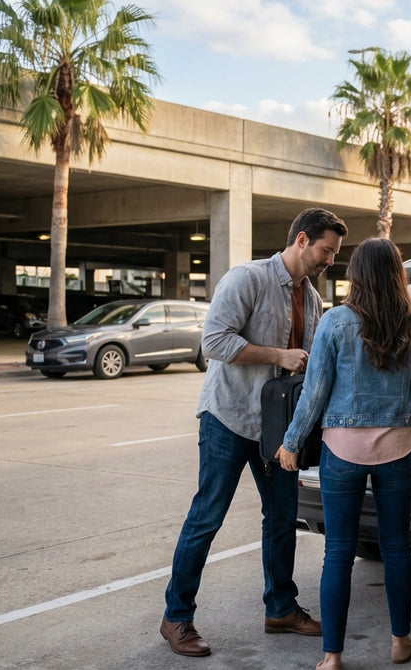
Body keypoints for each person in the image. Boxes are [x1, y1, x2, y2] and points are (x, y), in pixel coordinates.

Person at [160, 208, 348, 657]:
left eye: (335, 255)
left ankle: (281, 608)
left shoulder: (314, 299)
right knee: (207, 517)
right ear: (302, 240)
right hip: (228, 417)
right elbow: (214, 343)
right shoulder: (247, 278)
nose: (330, 261)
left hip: (279, 432)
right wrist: (278, 356)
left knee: (282, 518)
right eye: (326, 251)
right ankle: (176, 618)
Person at [279, 238, 411, 670]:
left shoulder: (335, 322)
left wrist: (291, 442)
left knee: (338, 552)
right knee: (397, 548)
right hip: (398, 451)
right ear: (397, 275)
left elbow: (314, 394)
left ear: (357, 275)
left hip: (341, 453)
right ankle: (400, 642)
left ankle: (332, 656)